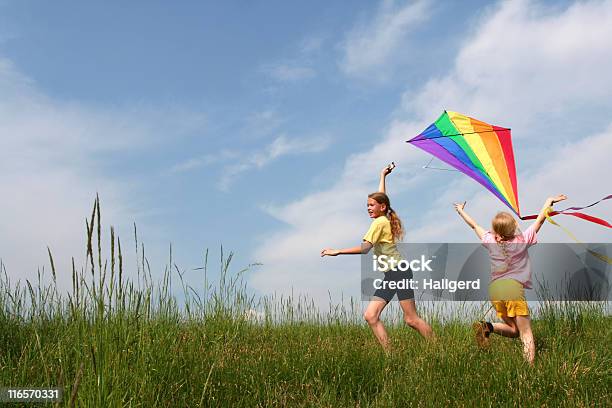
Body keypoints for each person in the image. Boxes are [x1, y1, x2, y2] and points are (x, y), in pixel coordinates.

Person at [321, 163, 433, 351]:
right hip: (392, 274)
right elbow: (382, 197)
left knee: (411, 319)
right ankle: (391, 355)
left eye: (371, 205)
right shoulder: (383, 217)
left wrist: (338, 251)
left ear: (382, 207)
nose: (368, 208)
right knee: (371, 316)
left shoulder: (378, 223)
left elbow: (365, 248)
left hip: (399, 273)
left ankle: (438, 349)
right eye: (367, 205)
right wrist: (383, 176)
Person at [453, 194, 567, 364]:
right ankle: (529, 371)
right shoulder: (521, 241)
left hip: (495, 290)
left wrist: (461, 211)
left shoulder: (490, 240)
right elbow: (540, 221)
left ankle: (486, 327)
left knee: (514, 330)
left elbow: (474, 225)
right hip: (512, 288)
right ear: (512, 230)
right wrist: (548, 202)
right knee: (526, 332)